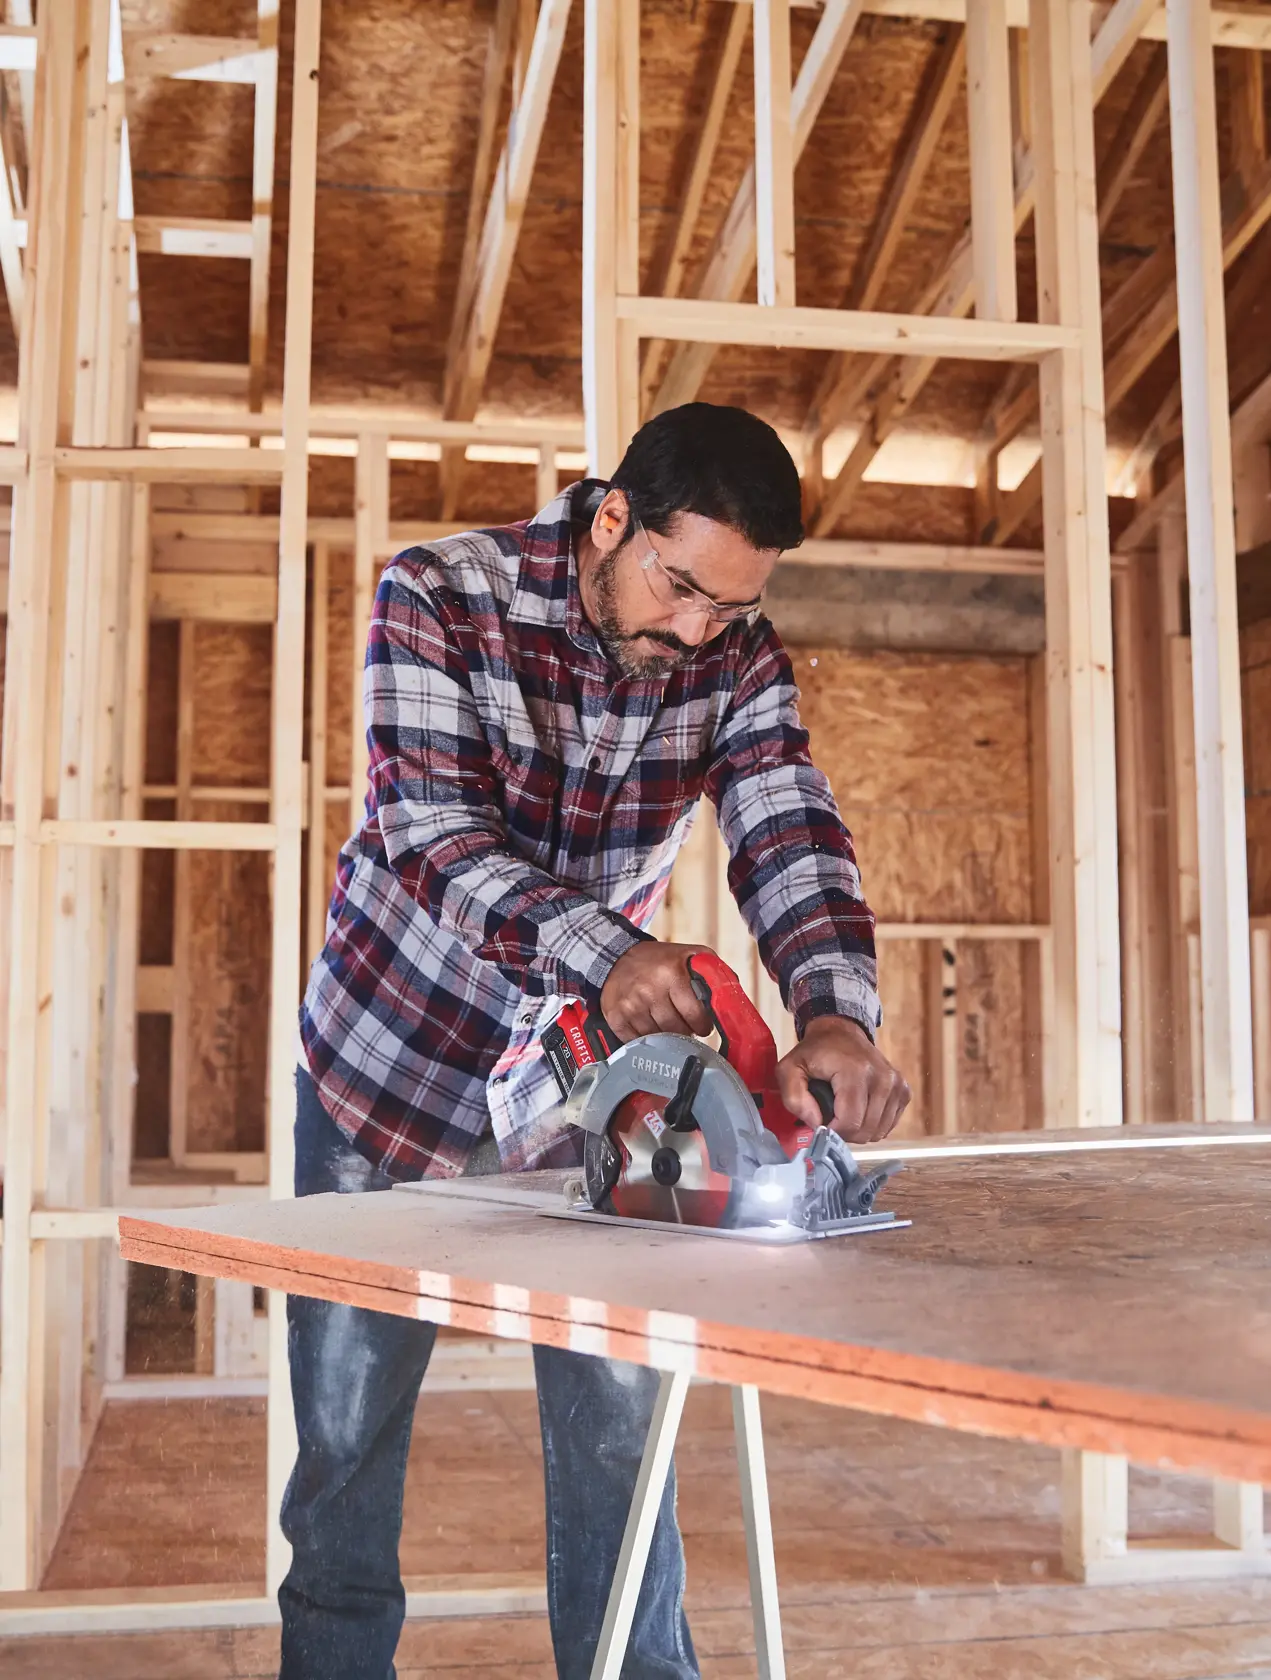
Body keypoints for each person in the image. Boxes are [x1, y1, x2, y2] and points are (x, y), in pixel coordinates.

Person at [282, 401, 911, 1679]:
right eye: (676, 587)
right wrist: (609, 954)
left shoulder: (732, 652)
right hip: (384, 1080)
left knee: (621, 1444)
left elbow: (785, 824)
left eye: (725, 611)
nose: (693, 630)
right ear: (608, 517)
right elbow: (435, 839)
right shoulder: (440, 595)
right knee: (347, 1455)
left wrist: (832, 1009)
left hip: (572, 1105)